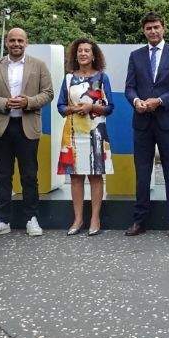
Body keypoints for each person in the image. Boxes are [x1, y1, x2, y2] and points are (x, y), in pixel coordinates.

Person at [0, 27, 54, 237]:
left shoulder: (38, 66)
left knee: (29, 175)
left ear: (26, 43)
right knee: (3, 176)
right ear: (6, 42)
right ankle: (2, 220)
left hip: (27, 126)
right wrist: (5, 103)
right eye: (12, 40)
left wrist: (28, 101)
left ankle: (32, 218)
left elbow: (48, 93)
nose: (16, 44)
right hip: (2, 127)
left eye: (20, 40)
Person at [124, 12, 169, 237]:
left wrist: (160, 101)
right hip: (141, 121)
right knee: (142, 173)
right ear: (143, 31)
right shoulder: (136, 56)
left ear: (164, 28)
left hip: (168, 121)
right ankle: (139, 220)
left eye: (156, 27)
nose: (153, 31)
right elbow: (129, 87)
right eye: (148, 28)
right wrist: (136, 101)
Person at [57, 37, 114, 236]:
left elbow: (110, 107)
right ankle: (78, 218)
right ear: (75, 54)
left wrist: (92, 107)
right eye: (80, 50)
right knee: (75, 176)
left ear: (93, 55)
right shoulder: (68, 78)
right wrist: (73, 109)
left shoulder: (102, 78)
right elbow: (60, 106)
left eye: (87, 50)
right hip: (73, 131)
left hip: (96, 131)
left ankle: (95, 218)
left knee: (96, 175)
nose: (83, 53)